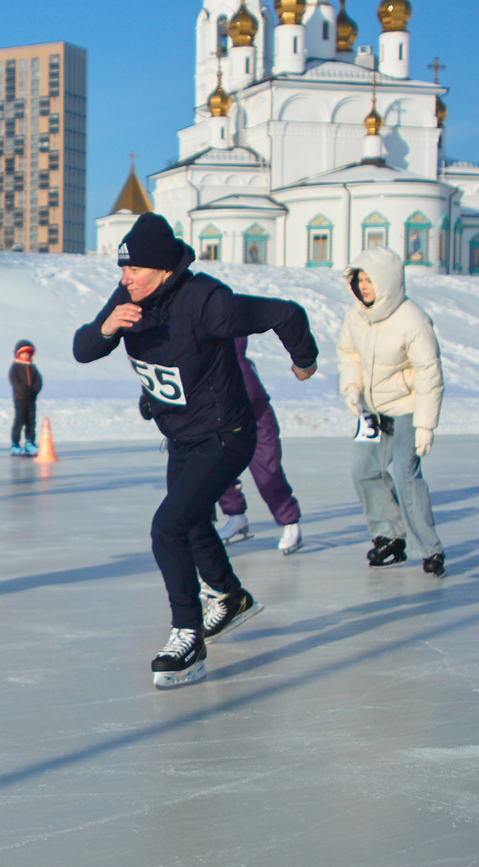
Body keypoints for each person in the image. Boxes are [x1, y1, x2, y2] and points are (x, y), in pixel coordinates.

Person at [73, 213, 318, 688]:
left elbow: (286, 314)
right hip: (183, 436)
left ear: (164, 269)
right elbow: (84, 349)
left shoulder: (208, 301)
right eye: (122, 269)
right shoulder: (128, 297)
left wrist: (303, 360)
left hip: (227, 434)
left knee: (167, 527)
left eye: (134, 269)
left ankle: (188, 634)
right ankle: (230, 597)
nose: (125, 278)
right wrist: (106, 328)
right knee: (191, 524)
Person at [338, 245, 446, 577]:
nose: (364, 287)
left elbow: (429, 373)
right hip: (372, 411)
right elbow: (348, 354)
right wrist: (351, 387)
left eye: (370, 280)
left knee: (404, 475)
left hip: (407, 408)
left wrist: (425, 425)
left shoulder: (412, 319)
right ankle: (389, 537)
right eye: (359, 280)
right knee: (362, 471)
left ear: (386, 281)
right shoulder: (356, 315)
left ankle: (430, 548)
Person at [215, 330, 305, 554]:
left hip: (255, 416)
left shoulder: (237, 358)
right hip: (220, 417)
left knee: (268, 471)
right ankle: (236, 516)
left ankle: (290, 523)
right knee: (215, 466)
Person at [8, 340, 42, 456]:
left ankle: (30, 442)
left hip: (31, 399)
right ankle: (15, 443)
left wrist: (34, 391)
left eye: (28, 354)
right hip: (20, 399)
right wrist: (24, 390)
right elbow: (15, 381)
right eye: (23, 353)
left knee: (31, 421)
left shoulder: (32, 368)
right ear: (18, 354)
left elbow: (38, 381)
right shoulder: (15, 368)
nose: (26, 356)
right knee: (20, 420)